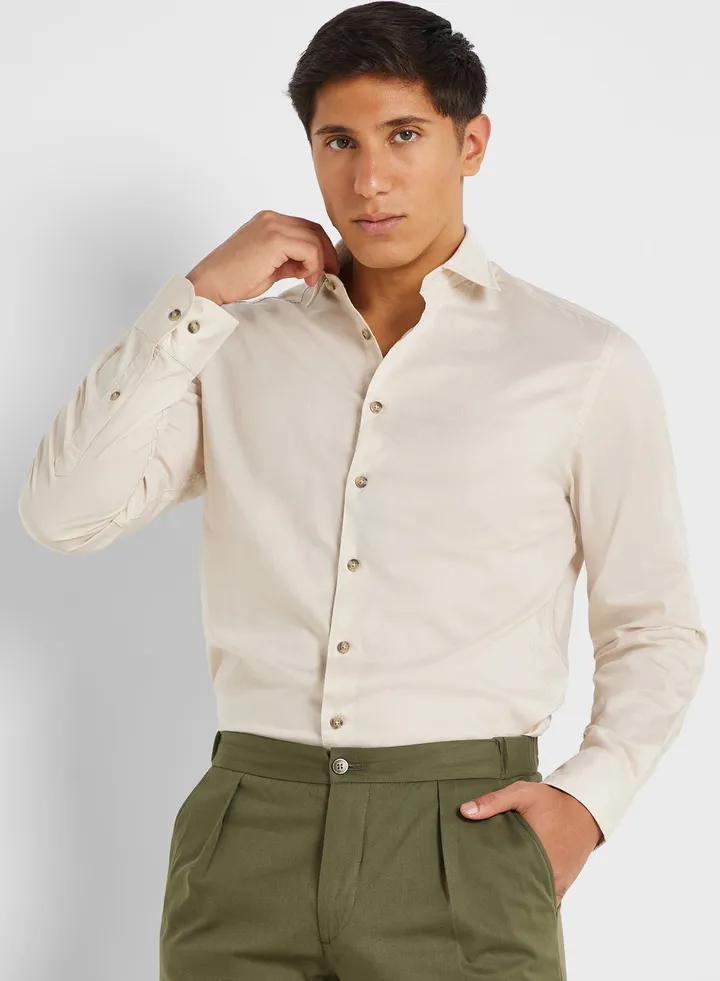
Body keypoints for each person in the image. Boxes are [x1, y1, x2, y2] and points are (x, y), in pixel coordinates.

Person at [18, 2, 708, 979]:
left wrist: (587, 803)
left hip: (464, 834)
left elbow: (655, 626)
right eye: (338, 141)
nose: (369, 179)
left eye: (404, 135)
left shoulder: (580, 364)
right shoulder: (234, 350)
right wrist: (198, 300)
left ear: (472, 143)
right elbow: (63, 513)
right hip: (249, 832)